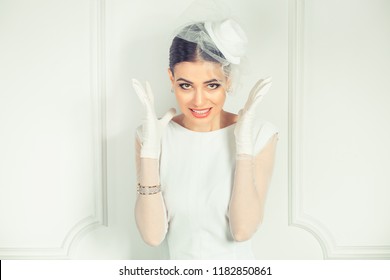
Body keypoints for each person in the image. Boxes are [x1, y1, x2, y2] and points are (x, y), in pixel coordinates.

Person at [132, 19, 279, 259]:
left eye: (212, 85)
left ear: (228, 81)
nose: (199, 101)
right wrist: (149, 152)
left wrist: (243, 148)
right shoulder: (151, 135)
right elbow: (152, 236)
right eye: (186, 85)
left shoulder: (260, 135)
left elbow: (242, 230)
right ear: (171, 79)